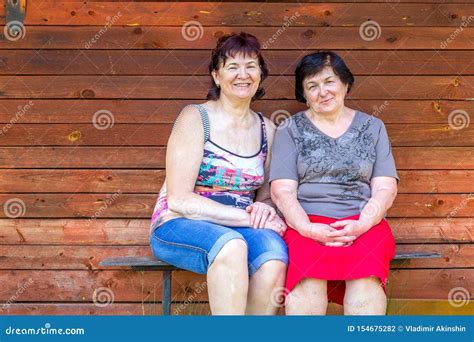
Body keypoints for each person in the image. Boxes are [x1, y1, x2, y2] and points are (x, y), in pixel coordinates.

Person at [149, 32, 288, 315]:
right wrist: (246, 217)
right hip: (180, 222)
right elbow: (180, 200)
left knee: (274, 257)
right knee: (232, 246)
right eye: (232, 66)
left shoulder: (268, 130)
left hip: (242, 226)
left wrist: (264, 208)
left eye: (251, 66)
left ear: (260, 74)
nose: (243, 74)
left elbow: (267, 195)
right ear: (216, 75)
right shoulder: (195, 117)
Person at [270, 51, 399, 315]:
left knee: (365, 280)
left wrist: (362, 223)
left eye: (329, 81)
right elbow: (282, 191)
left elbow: (385, 188)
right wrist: (307, 228)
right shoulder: (289, 130)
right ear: (303, 94)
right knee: (307, 282)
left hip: (365, 223)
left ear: (345, 83)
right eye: (312, 86)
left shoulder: (373, 127)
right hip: (305, 223)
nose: (322, 92)